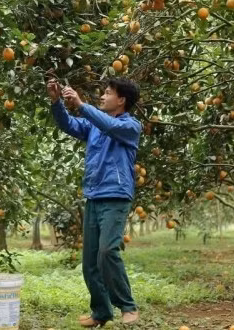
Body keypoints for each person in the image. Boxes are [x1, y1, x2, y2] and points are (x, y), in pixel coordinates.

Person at [47, 77, 141, 327]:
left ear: (121, 100)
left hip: (116, 196)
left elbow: (110, 126)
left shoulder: (131, 126)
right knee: (90, 261)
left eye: (108, 93)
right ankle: (101, 312)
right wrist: (57, 102)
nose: (102, 96)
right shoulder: (95, 126)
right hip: (94, 196)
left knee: (108, 251)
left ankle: (127, 306)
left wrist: (81, 104)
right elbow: (68, 125)